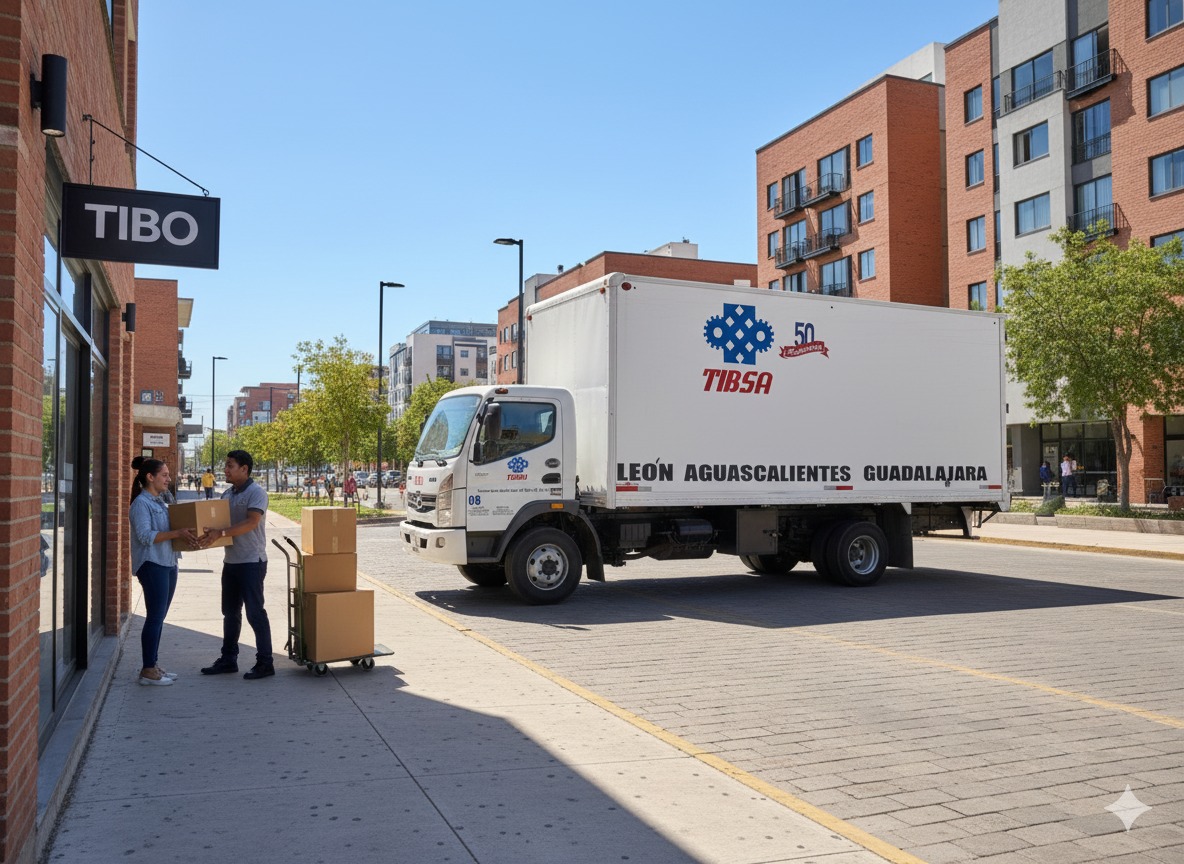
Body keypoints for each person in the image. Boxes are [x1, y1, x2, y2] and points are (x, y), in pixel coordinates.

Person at [199, 450, 275, 680]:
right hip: (231, 562)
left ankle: (265, 663)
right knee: (230, 613)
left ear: (245, 469)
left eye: (230, 465)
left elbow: (252, 522)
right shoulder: (227, 495)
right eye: (226, 465)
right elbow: (216, 524)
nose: (226, 469)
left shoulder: (256, 493)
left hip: (252, 562)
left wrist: (220, 532)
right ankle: (228, 659)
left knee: (255, 613)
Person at [128, 457, 197, 686]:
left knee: (159, 618)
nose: (169, 479)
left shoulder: (159, 501)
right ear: (150, 477)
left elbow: (169, 529)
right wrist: (176, 534)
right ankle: (148, 670)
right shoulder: (141, 504)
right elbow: (145, 536)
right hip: (152, 564)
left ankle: (154, 665)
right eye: (164, 475)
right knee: (155, 617)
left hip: (168, 562)